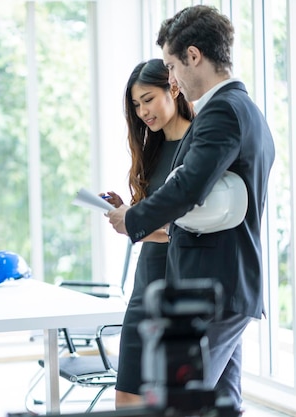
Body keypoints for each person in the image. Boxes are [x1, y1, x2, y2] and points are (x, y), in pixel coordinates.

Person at [107, 5, 275, 409]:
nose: (172, 77)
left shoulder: (221, 110)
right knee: (222, 404)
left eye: (171, 65)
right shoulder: (246, 109)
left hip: (212, 288)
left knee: (171, 402)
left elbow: (187, 187)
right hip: (227, 287)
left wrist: (133, 218)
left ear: (193, 56)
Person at [100, 58, 193, 408]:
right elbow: (154, 214)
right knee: (126, 392)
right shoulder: (152, 149)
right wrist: (128, 210)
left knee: (172, 396)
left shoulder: (199, 146)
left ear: (173, 87)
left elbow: (190, 226)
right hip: (147, 281)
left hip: (181, 277)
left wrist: (136, 222)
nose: (142, 112)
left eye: (148, 99)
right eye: (136, 105)